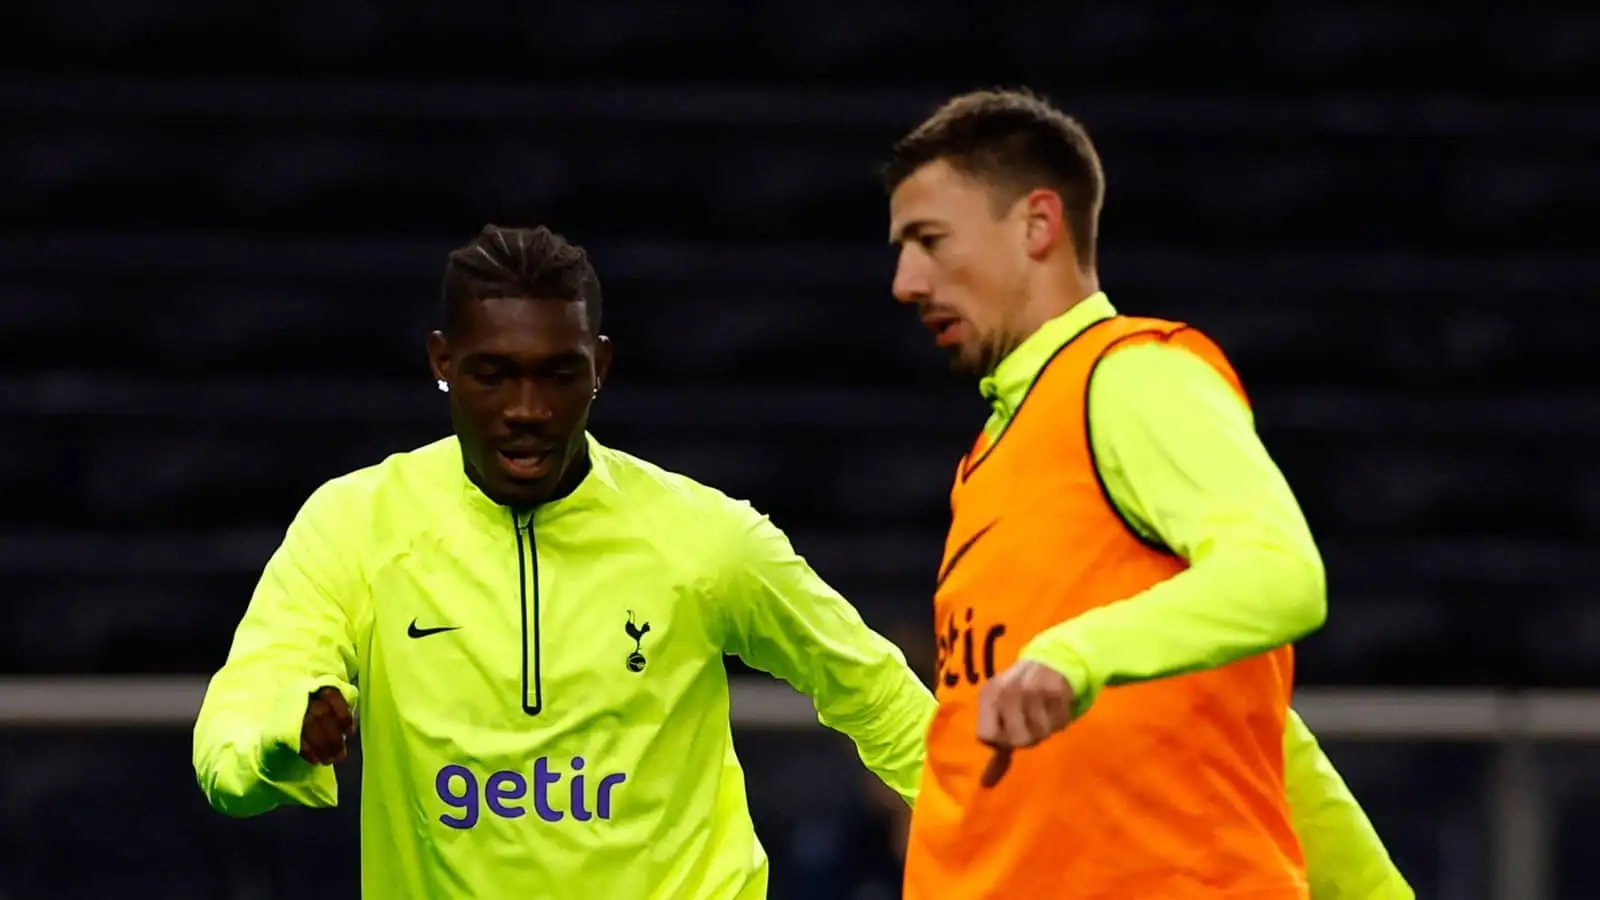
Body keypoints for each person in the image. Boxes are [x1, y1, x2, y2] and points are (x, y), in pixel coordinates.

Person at [191, 224, 937, 899]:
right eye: (493, 374)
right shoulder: (356, 526)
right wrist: (287, 729)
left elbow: (874, 691)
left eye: (558, 373)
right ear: (441, 361)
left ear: (600, 366)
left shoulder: (703, 535)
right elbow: (232, 733)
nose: (528, 407)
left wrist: (1007, 843)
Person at [882, 89, 1413, 899]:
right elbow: (1247, 720)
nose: (905, 281)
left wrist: (1072, 655)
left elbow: (1278, 572)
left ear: (1037, 225)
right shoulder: (1002, 449)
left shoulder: (1132, 375)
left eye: (931, 241)